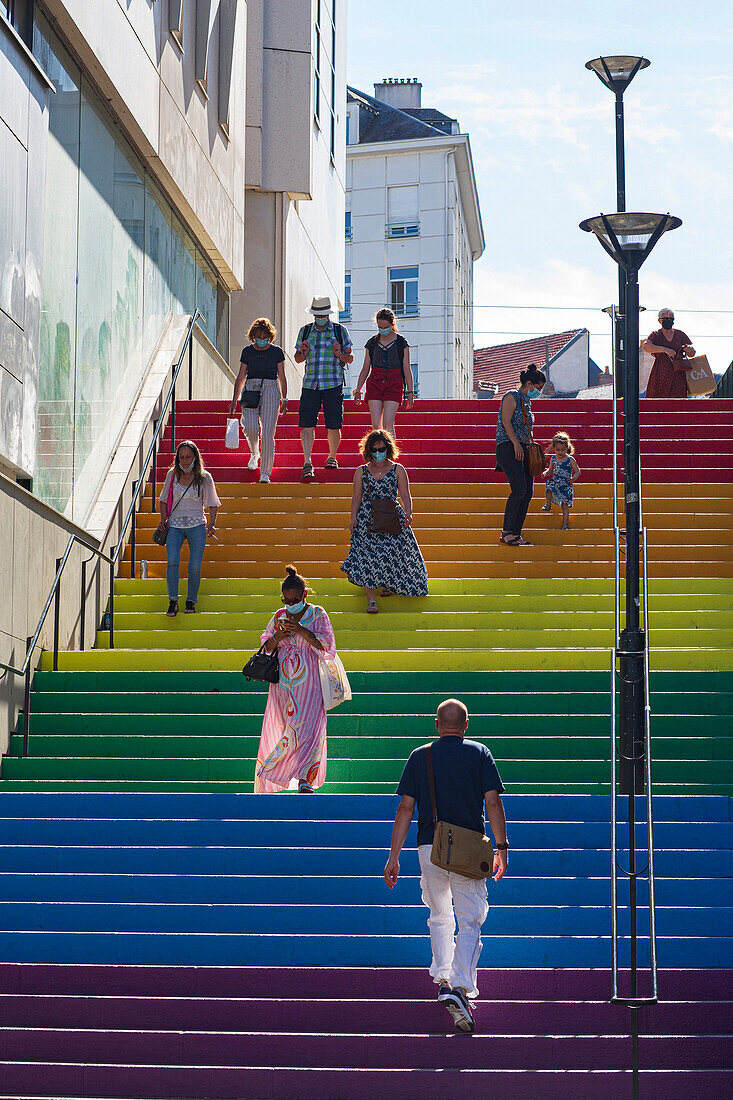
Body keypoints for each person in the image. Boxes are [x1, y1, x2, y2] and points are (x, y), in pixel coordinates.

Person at [384, 699, 508, 1034]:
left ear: (436, 725)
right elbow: (493, 802)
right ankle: (460, 987)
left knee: (439, 915)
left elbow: (405, 809)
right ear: (466, 725)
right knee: (470, 921)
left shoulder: (419, 756)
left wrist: (394, 856)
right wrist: (501, 846)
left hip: (430, 847)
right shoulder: (479, 753)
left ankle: (442, 980)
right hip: (469, 849)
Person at [255, 565, 337, 794]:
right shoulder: (279, 616)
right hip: (283, 684)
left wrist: (301, 630)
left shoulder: (318, 614)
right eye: (287, 600)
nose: (291, 604)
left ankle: (305, 780)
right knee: (285, 728)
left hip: (310, 681)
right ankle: (272, 774)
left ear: (304, 596)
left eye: (295, 599)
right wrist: (277, 637)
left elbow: (327, 645)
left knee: (309, 728)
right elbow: (265, 648)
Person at [341, 429, 428, 614]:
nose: (378, 453)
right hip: (367, 519)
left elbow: (405, 495)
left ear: (388, 448)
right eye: (374, 450)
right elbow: (356, 497)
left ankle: (387, 584)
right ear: (368, 450)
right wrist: (353, 518)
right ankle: (371, 600)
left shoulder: (398, 469)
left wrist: (409, 512)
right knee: (366, 557)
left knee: (393, 552)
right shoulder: (361, 471)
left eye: (381, 449)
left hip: (391, 516)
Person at [294, 296, 354, 480]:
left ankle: (332, 457)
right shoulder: (305, 331)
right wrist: (303, 351)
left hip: (333, 383)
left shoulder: (339, 330)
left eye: (323, 314)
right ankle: (307, 461)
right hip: (311, 383)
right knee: (307, 424)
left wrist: (339, 353)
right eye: (317, 314)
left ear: (328, 314)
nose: (320, 317)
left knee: (334, 423)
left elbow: (349, 358)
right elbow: (297, 358)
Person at [159, 441, 220, 617]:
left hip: (197, 525)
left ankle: (191, 600)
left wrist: (212, 523)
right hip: (175, 525)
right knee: (172, 561)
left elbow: (212, 503)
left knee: (194, 566)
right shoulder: (172, 474)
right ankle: (173, 601)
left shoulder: (205, 477)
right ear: (177, 458)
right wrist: (164, 519)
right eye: (182, 457)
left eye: (188, 457)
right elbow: (163, 500)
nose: (185, 461)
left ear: (195, 457)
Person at [229, 317, 287, 484]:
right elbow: (241, 376)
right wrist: (234, 400)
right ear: (253, 337)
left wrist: (285, 397)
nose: (262, 341)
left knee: (268, 433)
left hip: (271, 389)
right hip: (251, 388)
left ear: (270, 337)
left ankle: (265, 472)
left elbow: (282, 376)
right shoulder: (247, 351)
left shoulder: (277, 352)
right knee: (251, 426)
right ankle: (255, 453)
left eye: (265, 338)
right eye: (259, 338)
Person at [495, 363, 547, 547]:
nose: (538, 392)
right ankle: (507, 531)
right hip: (509, 448)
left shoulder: (527, 400)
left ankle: (516, 533)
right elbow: (506, 422)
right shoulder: (511, 396)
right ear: (530, 384)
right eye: (538, 388)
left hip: (525, 449)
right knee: (519, 489)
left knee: (528, 492)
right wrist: (516, 444)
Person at [353, 308, 415, 437]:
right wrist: (358, 389)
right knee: (376, 425)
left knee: (388, 423)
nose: (383, 329)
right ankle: (377, 454)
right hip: (375, 381)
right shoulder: (372, 343)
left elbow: (407, 369)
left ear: (393, 324)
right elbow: (365, 368)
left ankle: (389, 454)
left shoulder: (401, 343)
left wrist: (410, 392)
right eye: (380, 327)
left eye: (385, 327)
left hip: (394, 382)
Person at [642, 308, 695, 398]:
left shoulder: (680, 334)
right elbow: (646, 347)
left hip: (678, 373)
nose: (669, 321)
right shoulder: (656, 335)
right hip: (660, 373)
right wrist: (665, 349)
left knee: (677, 401)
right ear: (659, 320)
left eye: (671, 319)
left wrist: (690, 349)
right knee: (658, 400)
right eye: (666, 319)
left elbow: (692, 353)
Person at [541, 432, 581, 530]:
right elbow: (551, 470)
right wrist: (546, 473)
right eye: (557, 450)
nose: (560, 452)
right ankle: (548, 503)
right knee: (549, 485)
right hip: (556, 481)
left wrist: (573, 479)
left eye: (563, 449)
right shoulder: (553, 459)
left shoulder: (570, 459)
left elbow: (577, 471)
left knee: (564, 506)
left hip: (566, 484)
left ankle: (565, 524)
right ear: (554, 448)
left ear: (567, 448)